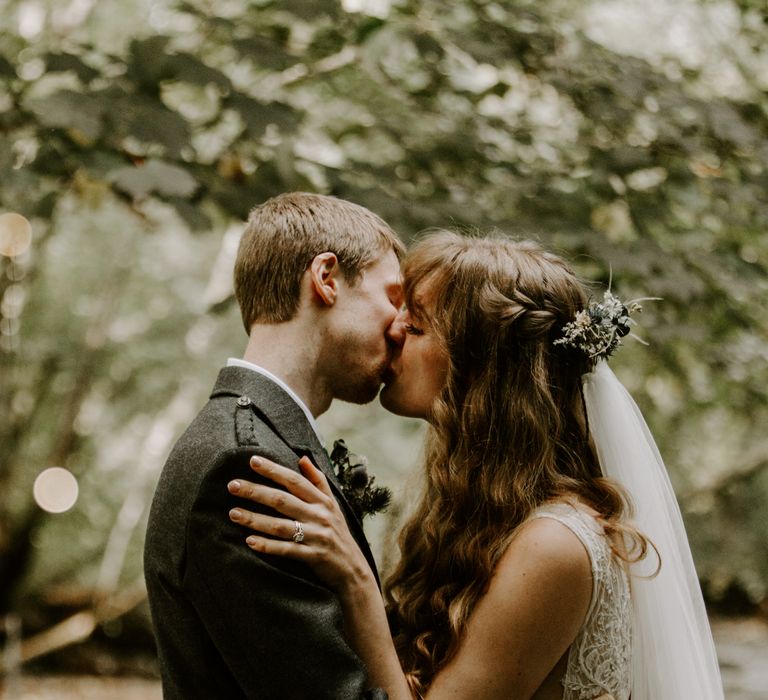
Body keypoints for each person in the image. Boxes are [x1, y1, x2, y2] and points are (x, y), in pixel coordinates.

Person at [226, 231, 725, 699]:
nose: (393, 330)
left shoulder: (555, 545)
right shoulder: (475, 511)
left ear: (483, 371)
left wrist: (355, 581)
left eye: (417, 324)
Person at [143, 192, 405, 699]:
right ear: (326, 279)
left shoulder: (260, 437)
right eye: (393, 297)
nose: (399, 326)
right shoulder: (245, 463)